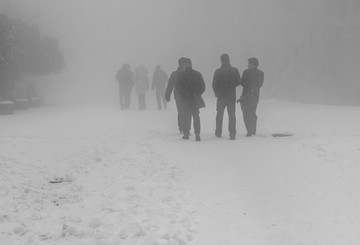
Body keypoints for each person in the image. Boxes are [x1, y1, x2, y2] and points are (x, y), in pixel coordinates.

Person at [212, 54, 241, 140]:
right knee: (232, 115)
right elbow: (238, 82)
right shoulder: (235, 70)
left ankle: (218, 132)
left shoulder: (218, 71)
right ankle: (232, 133)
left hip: (221, 96)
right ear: (229, 60)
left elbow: (214, 84)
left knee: (219, 115)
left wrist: (217, 93)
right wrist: (231, 86)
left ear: (221, 60)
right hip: (231, 95)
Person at [176, 58, 206, 141]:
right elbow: (203, 87)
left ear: (184, 65)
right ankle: (197, 134)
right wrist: (197, 93)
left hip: (186, 99)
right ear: (191, 64)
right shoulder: (197, 74)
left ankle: (186, 134)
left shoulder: (181, 75)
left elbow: (178, 88)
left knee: (186, 116)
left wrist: (184, 95)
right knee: (196, 116)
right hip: (195, 98)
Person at [237, 57, 264, 136]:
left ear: (252, 64)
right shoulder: (261, 73)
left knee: (245, 113)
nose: (247, 65)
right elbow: (260, 84)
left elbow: (242, 83)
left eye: (249, 63)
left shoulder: (246, 72)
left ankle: (249, 130)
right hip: (255, 95)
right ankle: (253, 129)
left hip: (246, 95)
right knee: (252, 112)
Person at [165, 57, 187, 133]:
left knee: (180, 111)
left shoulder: (174, 74)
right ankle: (185, 127)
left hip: (178, 95)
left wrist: (167, 95)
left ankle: (181, 128)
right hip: (187, 95)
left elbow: (170, 85)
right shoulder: (187, 73)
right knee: (185, 111)